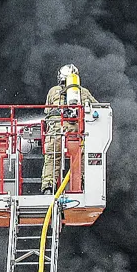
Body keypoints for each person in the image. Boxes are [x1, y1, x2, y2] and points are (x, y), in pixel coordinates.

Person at [41, 64, 98, 194]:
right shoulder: (84, 92)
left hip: (56, 131)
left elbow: (47, 111)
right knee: (80, 159)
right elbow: (98, 108)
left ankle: (48, 187)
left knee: (52, 157)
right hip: (77, 133)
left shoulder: (53, 91)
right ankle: (80, 185)